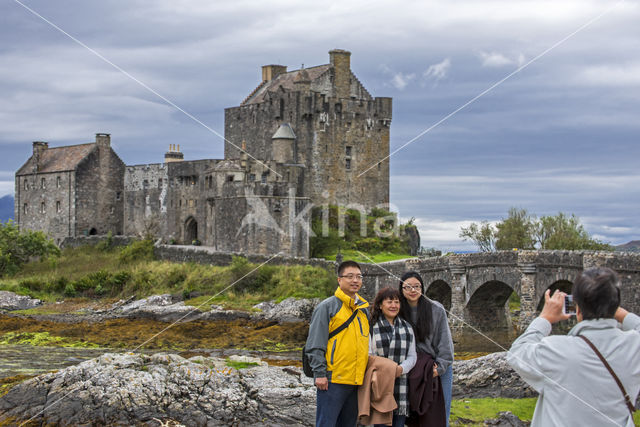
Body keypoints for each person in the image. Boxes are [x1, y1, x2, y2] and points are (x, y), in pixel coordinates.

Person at [507, 267, 640, 427]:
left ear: (577, 308)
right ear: (616, 305)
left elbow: (517, 353)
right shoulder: (634, 346)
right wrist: (618, 312)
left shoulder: (557, 349)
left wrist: (544, 318)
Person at [305, 260, 370, 427]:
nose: (355, 280)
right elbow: (315, 343)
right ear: (339, 280)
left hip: (356, 382)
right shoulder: (327, 307)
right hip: (332, 380)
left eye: (358, 276)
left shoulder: (363, 310)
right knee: (326, 424)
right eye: (350, 276)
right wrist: (319, 373)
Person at [398, 271, 454, 427]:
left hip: (436, 367)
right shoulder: (398, 310)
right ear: (401, 289)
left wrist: (441, 367)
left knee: (440, 414)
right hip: (412, 369)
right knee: (414, 415)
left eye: (417, 286)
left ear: (422, 288)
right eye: (408, 287)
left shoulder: (436, 309)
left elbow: (445, 343)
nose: (413, 290)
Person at [368, 287, 417, 427]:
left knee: (398, 423)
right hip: (378, 384)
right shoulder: (371, 327)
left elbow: (412, 356)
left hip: (401, 385)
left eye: (397, 302)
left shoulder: (407, 327)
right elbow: (369, 355)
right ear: (380, 305)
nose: (394, 306)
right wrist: (388, 370)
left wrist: (400, 369)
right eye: (389, 302)